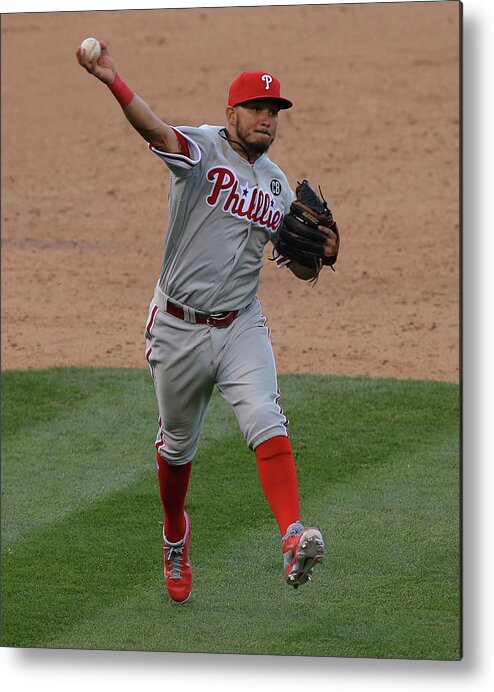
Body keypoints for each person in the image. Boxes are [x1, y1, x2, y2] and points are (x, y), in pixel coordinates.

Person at [77, 39, 339, 604]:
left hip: (242, 322)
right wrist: (111, 80)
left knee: (266, 416)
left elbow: (292, 260)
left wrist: (317, 254)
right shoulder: (200, 150)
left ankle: (293, 535)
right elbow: (155, 131)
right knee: (176, 448)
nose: (267, 118)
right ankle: (176, 533)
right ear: (232, 114)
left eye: (274, 111)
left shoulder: (275, 182)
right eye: (257, 109)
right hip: (177, 326)